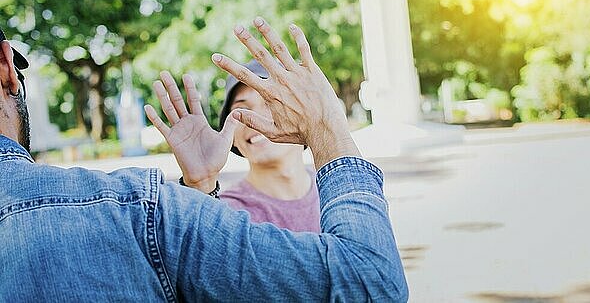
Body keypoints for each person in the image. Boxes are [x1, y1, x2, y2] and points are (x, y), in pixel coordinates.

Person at [0, 21, 408, 301]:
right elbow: (369, 282)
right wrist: (327, 127)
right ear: (7, 67)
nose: (257, 121)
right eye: (242, 107)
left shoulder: (172, 211)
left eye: (268, 104)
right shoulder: (145, 210)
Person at [148, 53, 320, 232]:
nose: (255, 117)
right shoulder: (227, 210)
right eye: (241, 109)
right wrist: (202, 186)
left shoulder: (338, 187)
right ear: (232, 139)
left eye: (271, 102)